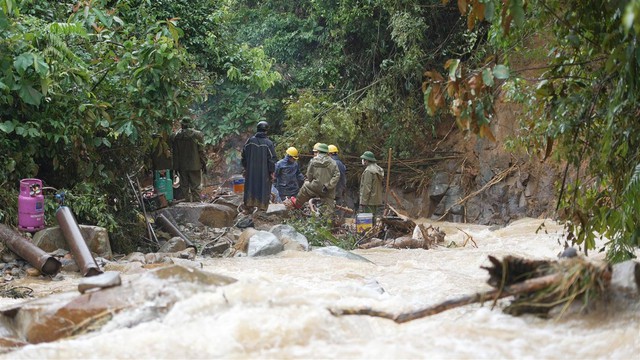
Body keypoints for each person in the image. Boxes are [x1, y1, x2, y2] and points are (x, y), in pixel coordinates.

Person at [291, 143, 340, 211]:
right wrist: (328, 186)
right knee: (329, 201)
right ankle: (328, 216)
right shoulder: (333, 162)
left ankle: (297, 204)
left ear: (318, 151)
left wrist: (311, 181)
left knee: (305, 186)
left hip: (315, 186)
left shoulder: (313, 161)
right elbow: (337, 176)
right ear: (327, 152)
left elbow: (309, 175)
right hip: (327, 189)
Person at [241, 121, 277, 212]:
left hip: (251, 172)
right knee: (263, 189)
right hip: (264, 173)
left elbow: (243, 155)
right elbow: (272, 159)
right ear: (266, 131)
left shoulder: (250, 141)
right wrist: (271, 172)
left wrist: (246, 167)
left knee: (250, 187)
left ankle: (248, 207)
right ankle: (262, 209)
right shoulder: (268, 143)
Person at [171, 116, 206, 202]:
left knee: (184, 187)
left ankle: (187, 206)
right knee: (196, 186)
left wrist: (175, 168)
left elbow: (175, 154)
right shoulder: (198, 135)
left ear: (182, 125)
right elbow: (201, 151)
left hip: (182, 166)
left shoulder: (176, 136)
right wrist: (204, 163)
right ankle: (197, 205)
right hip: (195, 165)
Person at [359, 150, 384, 217]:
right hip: (375, 199)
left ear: (366, 160)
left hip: (369, 200)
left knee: (368, 219)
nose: (363, 161)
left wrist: (363, 202)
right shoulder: (377, 169)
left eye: (363, 159)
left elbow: (366, 188)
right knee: (373, 217)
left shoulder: (368, 171)